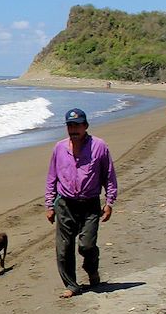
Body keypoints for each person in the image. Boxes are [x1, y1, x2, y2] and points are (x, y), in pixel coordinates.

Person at [45, 108, 118, 298]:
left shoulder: (99, 146)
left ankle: (91, 267)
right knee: (63, 249)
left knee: (86, 245)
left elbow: (109, 176)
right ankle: (72, 285)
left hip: (90, 205)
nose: (73, 129)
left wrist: (109, 202)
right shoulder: (59, 148)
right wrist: (49, 204)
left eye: (77, 125)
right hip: (65, 204)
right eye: (70, 126)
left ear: (85, 126)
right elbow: (52, 178)